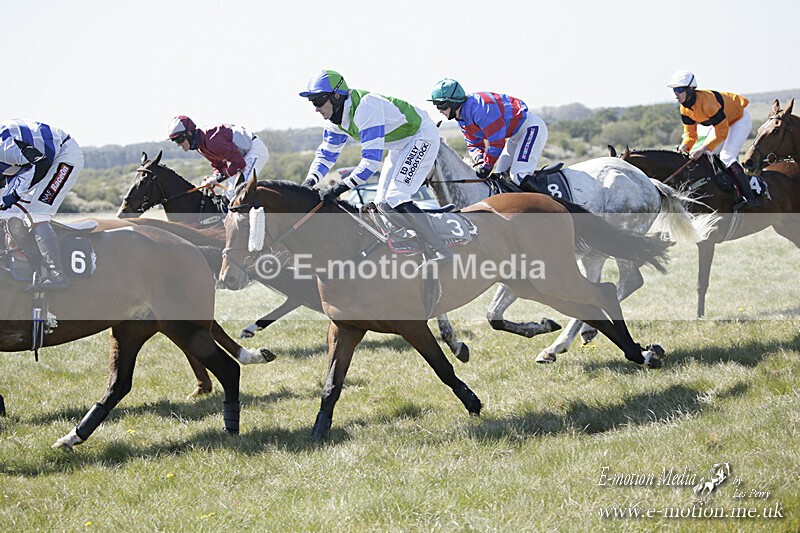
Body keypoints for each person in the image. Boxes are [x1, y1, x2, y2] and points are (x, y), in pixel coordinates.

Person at [299, 69, 452, 264]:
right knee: (382, 204)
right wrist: (309, 181)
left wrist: (339, 188)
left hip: (421, 136)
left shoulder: (366, 107)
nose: (316, 108)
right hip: (400, 145)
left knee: (397, 197)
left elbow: (371, 163)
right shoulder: (335, 122)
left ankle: (442, 250)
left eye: (318, 102)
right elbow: (326, 156)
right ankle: (417, 241)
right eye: (313, 103)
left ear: (336, 96)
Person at [0, 118, 85, 288]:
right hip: (40, 162)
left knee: (37, 213)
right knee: (8, 214)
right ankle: (31, 264)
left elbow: (40, 163)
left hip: (64, 156)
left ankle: (56, 274)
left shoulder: (4, 148)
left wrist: (16, 194)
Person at [429, 78, 548, 188]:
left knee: (518, 176)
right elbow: (474, 144)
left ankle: (558, 205)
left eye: (442, 105)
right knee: (499, 178)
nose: (439, 110)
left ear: (453, 102)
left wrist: (486, 167)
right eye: (437, 106)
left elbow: (497, 142)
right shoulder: (461, 118)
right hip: (514, 136)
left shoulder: (481, 108)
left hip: (530, 129)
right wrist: (480, 160)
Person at [667, 70, 759, 209]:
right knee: (706, 155)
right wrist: (684, 146)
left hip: (738, 120)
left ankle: (749, 198)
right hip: (722, 124)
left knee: (726, 156)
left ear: (690, 90)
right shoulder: (685, 109)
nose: (676, 94)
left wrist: (702, 149)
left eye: (679, 90)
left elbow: (722, 132)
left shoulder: (707, 102)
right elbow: (691, 135)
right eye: (674, 90)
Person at [167, 116, 269, 200]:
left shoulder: (213, 141)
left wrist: (217, 179)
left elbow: (240, 164)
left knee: (241, 191)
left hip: (254, 150)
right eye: (175, 141)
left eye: (179, 139)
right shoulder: (200, 147)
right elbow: (220, 166)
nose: (178, 144)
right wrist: (212, 179)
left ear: (189, 133)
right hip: (242, 156)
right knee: (228, 193)